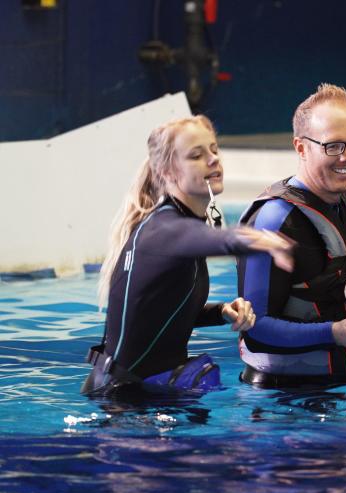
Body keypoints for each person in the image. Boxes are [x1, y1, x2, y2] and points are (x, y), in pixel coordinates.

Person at [82, 115, 294, 398]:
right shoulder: (162, 228)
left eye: (214, 150)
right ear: (168, 171)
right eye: (196, 155)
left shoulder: (178, 224)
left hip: (144, 396)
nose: (213, 160)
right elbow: (210, 238)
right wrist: (254, 238)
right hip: (123, 404)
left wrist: (221, 312)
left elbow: (162, 314)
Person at [236, 83, 346, 387]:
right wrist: (331, 333)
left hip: (342, 388)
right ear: (300, 147)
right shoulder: (275, 220)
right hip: (279, 400)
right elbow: (255, 327)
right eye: (333, 146)